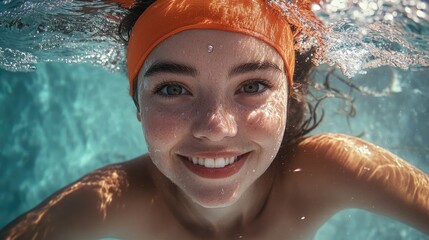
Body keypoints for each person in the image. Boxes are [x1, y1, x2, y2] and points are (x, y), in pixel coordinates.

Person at [1, 0, 428, 239]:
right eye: (172, 89)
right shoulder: (113, 198)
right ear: (137, 103)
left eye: (253, 86)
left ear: (288, 93)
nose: (216, 126)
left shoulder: (330, 170)